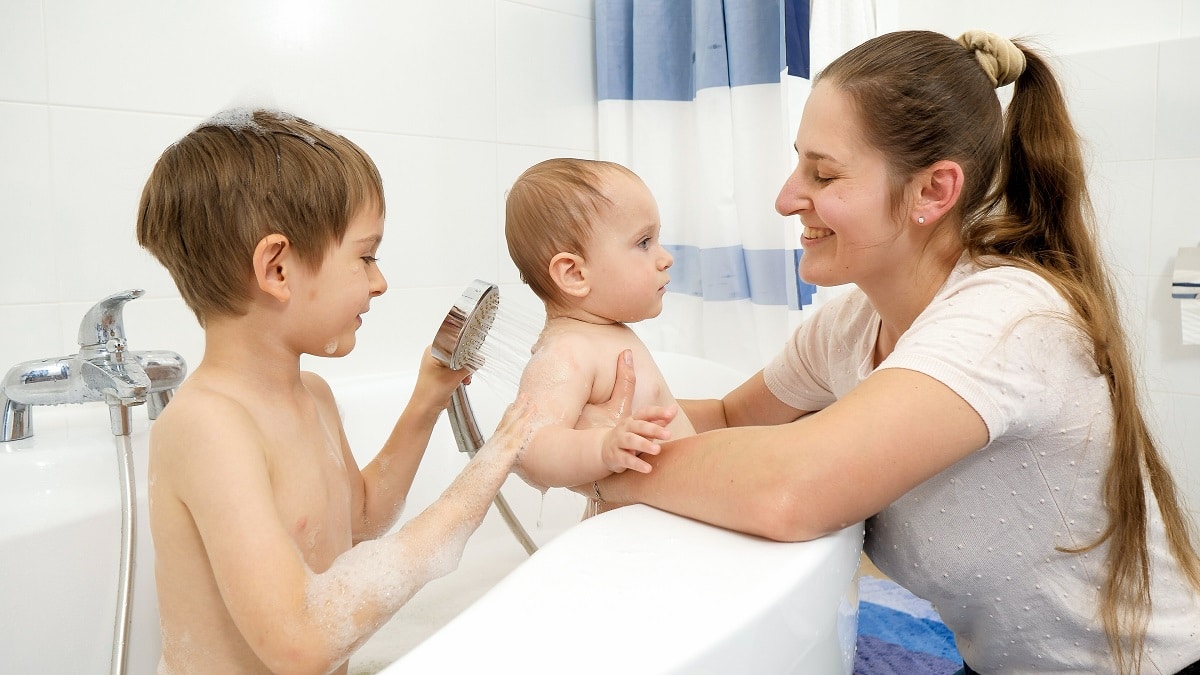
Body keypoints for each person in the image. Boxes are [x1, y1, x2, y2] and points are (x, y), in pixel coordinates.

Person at [586, 31, 1200, 674]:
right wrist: (583, 419)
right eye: (799, 164)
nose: (786, 198)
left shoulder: (1009, 320)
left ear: (934, 192)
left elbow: (790, 491)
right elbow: (733, 418)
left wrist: (607, 468)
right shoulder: (851, 325)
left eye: (822, 173)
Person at [136, 108, 533, 674]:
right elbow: (302, 640)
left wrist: (427, 400)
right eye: (366, 256)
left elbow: (363, 517)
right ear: (277, 269)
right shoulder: (208, 426)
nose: (380, 280)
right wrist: (476, 483)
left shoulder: (312, 395)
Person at [503, 158, 686, 492]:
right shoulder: (568, 350)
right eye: (644, 242)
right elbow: (530, 446)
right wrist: (603, 448)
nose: (665, 258)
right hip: (634, 529)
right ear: (574, 274)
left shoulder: (604, 331)